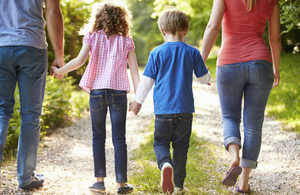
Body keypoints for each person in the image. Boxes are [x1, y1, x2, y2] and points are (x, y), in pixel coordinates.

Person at [51, 2, 139, 194]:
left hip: (97, 93)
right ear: (122, 19)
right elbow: (134, 71)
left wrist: (60, 71)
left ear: (97, 18)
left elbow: (79, 61)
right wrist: (137, 99)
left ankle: (99, 182)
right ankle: (122, 184)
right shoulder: (126, 41)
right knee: (119, 138)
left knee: (98, 137)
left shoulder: (92, 36)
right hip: (118, 93)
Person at [201, 0, 281, 193]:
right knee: (253, 125)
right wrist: (276, 67)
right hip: (261, 63)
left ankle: (234, 157)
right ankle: (243, 182)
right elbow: (275, 38)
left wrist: (201, 61)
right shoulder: (272, 1)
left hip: (229, 63)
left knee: (230, 117)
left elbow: (213, 27)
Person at [129, 8, 211, 194]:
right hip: (185, 110)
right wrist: (207, 76)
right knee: (181, 147)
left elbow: (146, 82)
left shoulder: (156, 53)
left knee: (160, 143)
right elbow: (203, 78)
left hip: (163, 111)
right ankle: (179, 185)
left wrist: (137, 102)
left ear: (162, 31)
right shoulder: (193, 52)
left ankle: (165, 163)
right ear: (186, 30)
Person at [0, 0, 64, 190]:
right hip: (31, 46)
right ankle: (26, 179)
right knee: (30, 116)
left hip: (1, 47)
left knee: (2, 111)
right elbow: (53, 13)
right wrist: (59, 55)